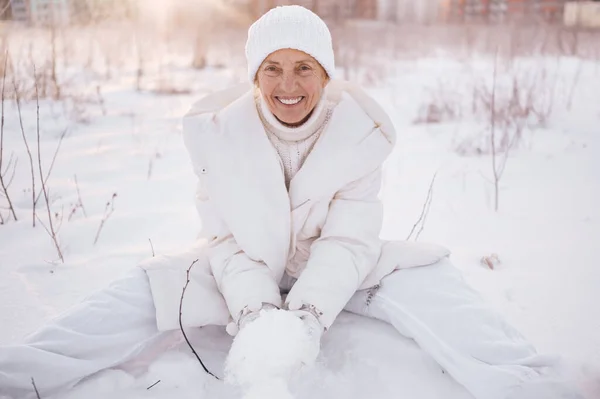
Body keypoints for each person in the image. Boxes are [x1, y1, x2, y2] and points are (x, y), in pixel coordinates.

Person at [0, 6, 583, 399]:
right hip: (239, 271)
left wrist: (305, 317)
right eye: (272, 68)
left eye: (304, 67)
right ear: (254, 76)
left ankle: (538, 385)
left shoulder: (360, 133)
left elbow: (351, 239)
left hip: (339, 271)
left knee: (433, 280)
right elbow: (226, 239)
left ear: (326, 74)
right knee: (144, 286)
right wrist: (255, 312)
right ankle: (18, 373)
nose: (288, 84)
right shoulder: (218, 136)